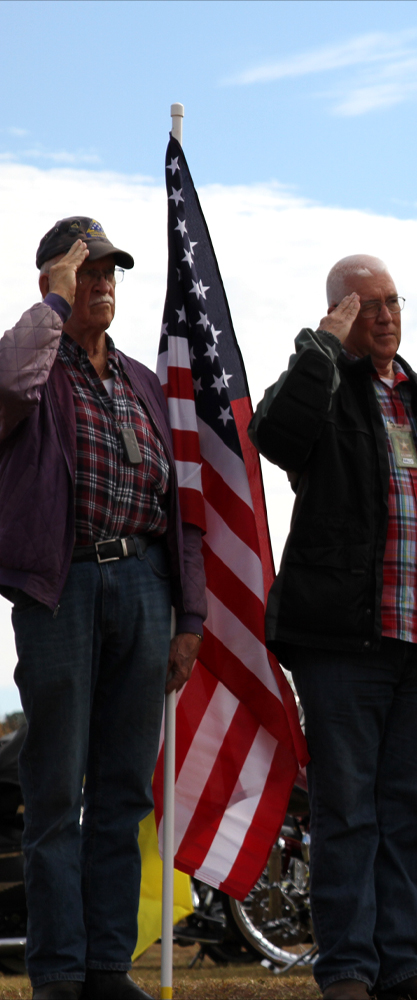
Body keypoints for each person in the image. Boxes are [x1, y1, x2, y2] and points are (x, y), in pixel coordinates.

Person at [249, 255, 417, 1000]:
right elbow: (276, 437)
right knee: (347, 808)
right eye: (365, 305)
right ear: (341, 313)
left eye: (391, 301)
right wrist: (321, 343)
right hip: (341, 643)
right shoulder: (319, 388)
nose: (383, 316)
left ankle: (401, 965)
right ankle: (347, 968)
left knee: (407, 811)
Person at [0, 217, 206, 1000]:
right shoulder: (33, 364)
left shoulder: (141, 383)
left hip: (145, 589)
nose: (103, 283)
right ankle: (57, 973)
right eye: (86, 272)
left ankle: (105, 968)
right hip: (63, 590)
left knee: (125, 792)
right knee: (56, 792)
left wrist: (188, 619)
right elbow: (8, 380)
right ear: (54, 281)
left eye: (110, 270)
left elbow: (181, 505)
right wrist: (49, 309)